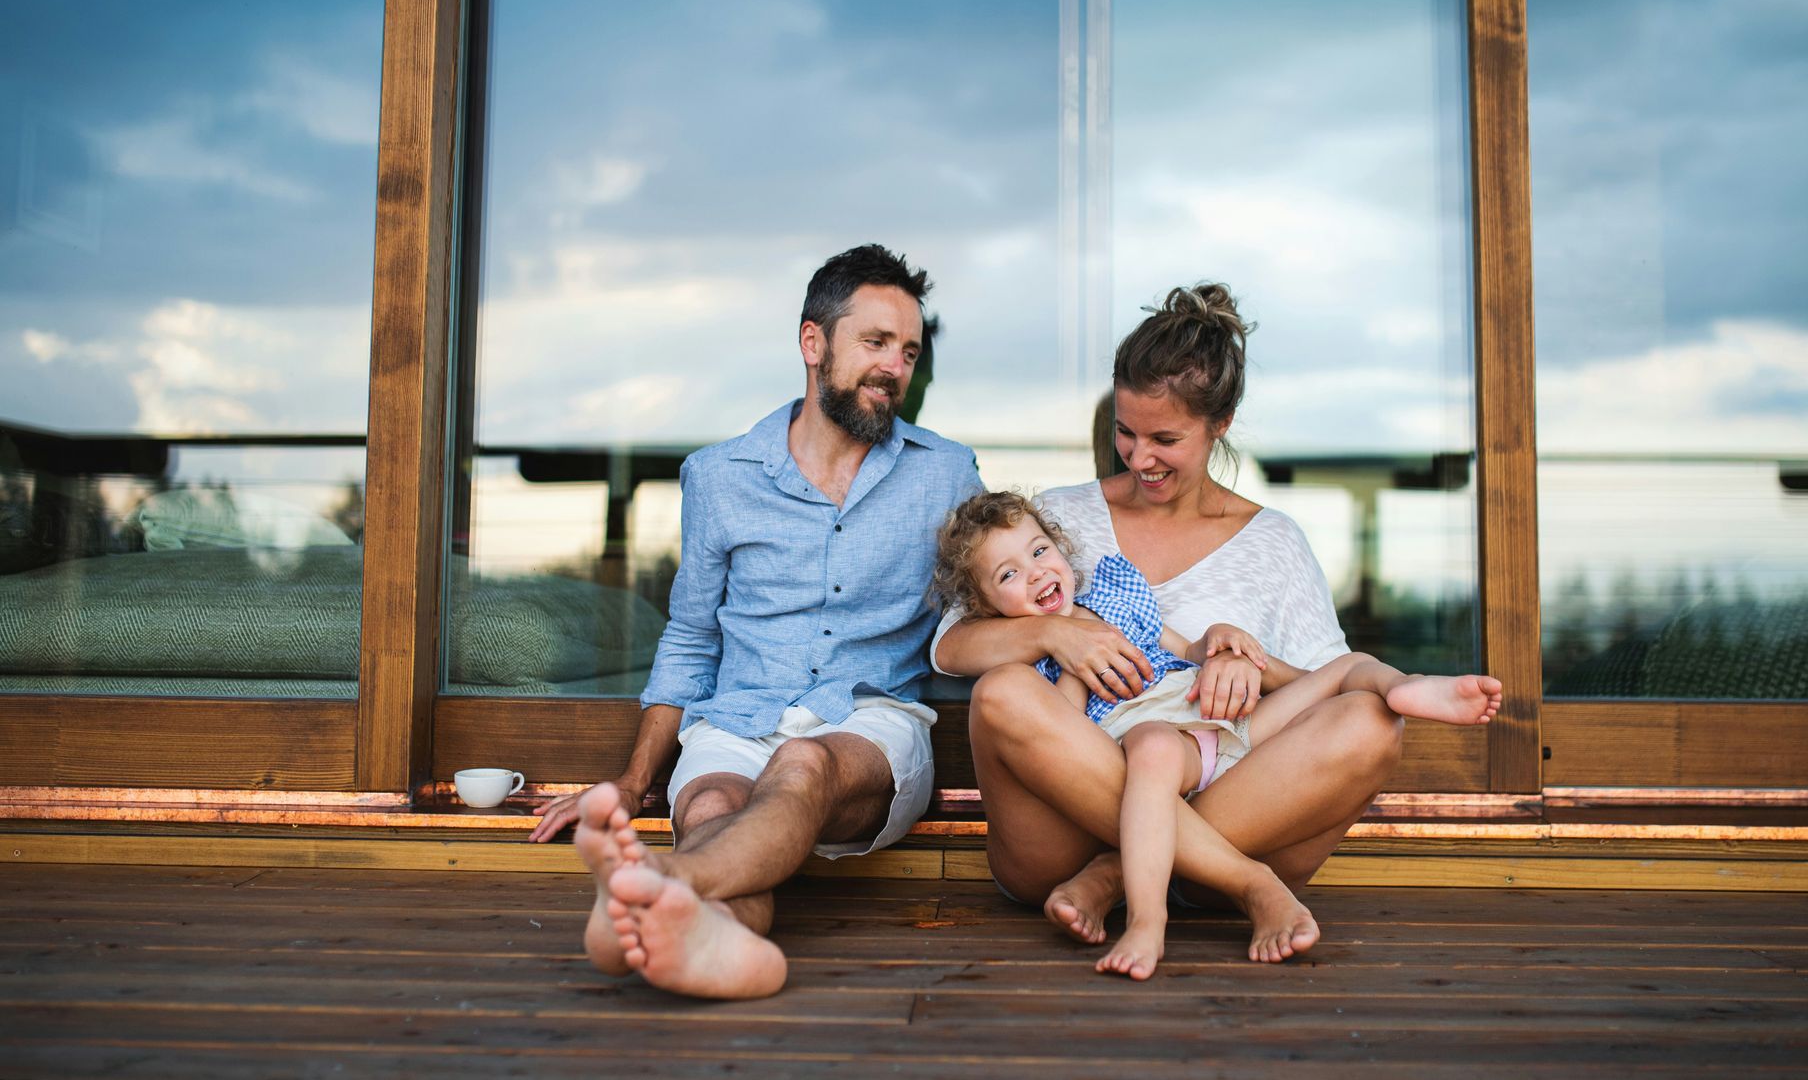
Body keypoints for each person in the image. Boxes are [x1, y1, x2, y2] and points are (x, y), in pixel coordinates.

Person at [932, 283, 1501, 966]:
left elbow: (1316, 690)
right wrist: (1055, 634)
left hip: (1211, 779)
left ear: (1220, 423)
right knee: (1001, 695)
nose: (1139, 458)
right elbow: (952, 647)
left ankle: (1118, 876)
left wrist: (1241, 661)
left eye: (1165, 439)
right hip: (1056, 841)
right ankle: (1238, 880)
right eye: (1125, 432)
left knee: (1372, 722)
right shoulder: (1055, 520)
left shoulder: (1275, 543)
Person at [527, 244, 982, 1001]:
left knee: (802, 766)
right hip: (737, 718)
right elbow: (692, 637)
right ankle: (712, 941)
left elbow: (988, 604)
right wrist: (639, 781)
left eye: (908, 351)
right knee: (709, 809)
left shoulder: (947, 473)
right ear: (814, 344)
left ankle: (649, 879)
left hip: (869, 726)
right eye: (875, 343)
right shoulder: (718, 477)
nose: (894, 368)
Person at [933, 490, 1502, 978]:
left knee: (1349, 677)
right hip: (1151, 748)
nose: (1035, 571)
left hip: (1212, 719)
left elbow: (1183, 648)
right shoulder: (1020, 656)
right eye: (1008, 574)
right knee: (1152, 747)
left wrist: (1225, 644)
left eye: (1039, 551)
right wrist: (1073, 659)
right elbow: (1060, 735)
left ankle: (1405, 685)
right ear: (982, 605)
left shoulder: (1113, 596)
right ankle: (1180, 907)